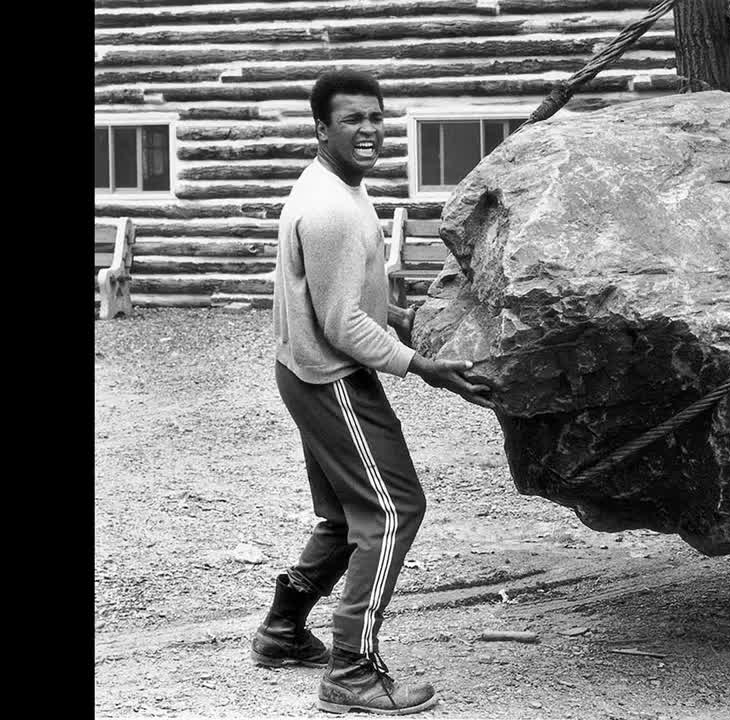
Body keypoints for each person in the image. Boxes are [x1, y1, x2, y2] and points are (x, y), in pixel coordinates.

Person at [252, 69, 494, 715]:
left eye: (376, 118)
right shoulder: (329, 208)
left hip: (306, 368)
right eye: (353, 120)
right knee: (392, 510)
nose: (368, 130)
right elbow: (339, 322)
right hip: (328, 376)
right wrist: (422, 365)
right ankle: (352, 671)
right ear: (322, 128)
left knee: (345, 514)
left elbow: (350, 295)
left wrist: (400, 316)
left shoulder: (343, 189)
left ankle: (281, 632)